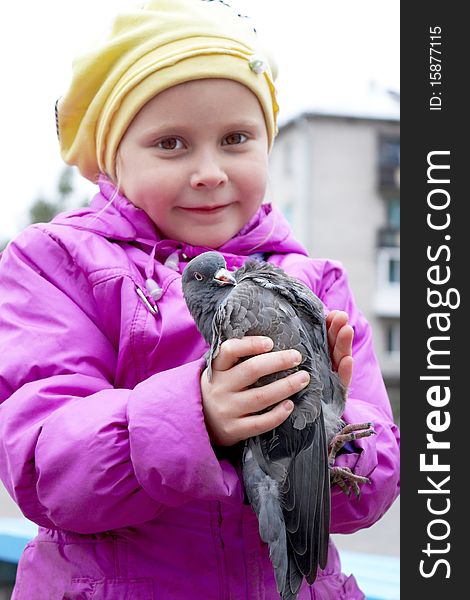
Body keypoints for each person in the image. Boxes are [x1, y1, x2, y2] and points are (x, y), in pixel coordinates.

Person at [0, 1, 400, 598]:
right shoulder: (57, 266)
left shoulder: (313, 284)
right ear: (113, 158)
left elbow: (367, 496)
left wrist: (329, 427)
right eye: (171, 143)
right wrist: (197, 417)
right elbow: (43, 467)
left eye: (236, 138)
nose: (210, 171)